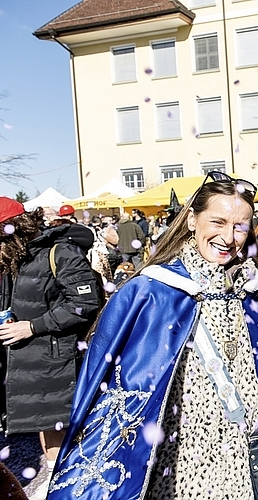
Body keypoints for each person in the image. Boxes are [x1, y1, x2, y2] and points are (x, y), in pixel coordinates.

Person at [47, 173, 258, 499]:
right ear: (193, 219)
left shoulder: (253, 291)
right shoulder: (151, 290)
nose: (229, 236)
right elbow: (106, 377)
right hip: (178, 466)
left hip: (245, 466)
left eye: (240, 226)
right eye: (218, 222)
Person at [0, 197, 102, 500]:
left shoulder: (60, 253)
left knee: (59, 434)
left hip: (55, 359)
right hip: (26, 362)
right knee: (45, 430)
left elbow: (84, 304)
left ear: (15, 231)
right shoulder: (14, 259)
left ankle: (69, 488)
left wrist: (31, 326)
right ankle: (58, 484)